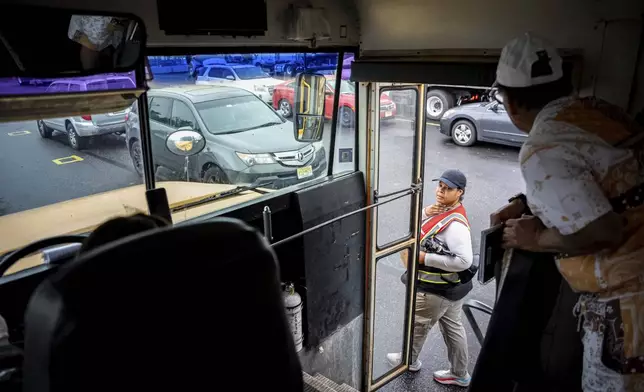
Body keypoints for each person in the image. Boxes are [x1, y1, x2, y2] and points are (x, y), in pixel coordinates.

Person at [490, 32, 644, 391]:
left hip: (629, 310)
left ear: (510, 102)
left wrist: (537, 237)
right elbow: (603, 184)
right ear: (565, 83)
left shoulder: (541, 146)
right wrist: (526, 203)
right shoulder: (598, 111)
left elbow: (605, 230)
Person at [387, 169, 474, 388]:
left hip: (435, 290)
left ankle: (409, 361)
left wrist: (425, 257)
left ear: (459, 192)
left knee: (417, 325)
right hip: (451, 288)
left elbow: (464, 261)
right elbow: (418, 226)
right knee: (453, 328)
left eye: (448, 189)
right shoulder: (445, 211)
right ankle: (460, 373)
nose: (441, 191)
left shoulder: (455, 226)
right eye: (440, 186)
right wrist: (426, 211)